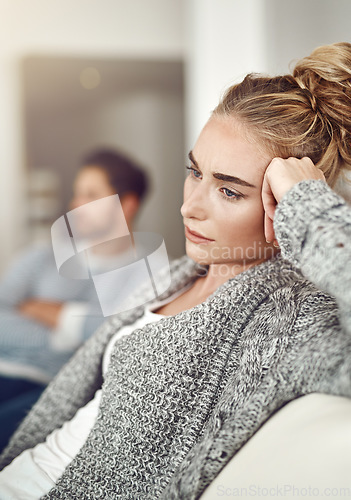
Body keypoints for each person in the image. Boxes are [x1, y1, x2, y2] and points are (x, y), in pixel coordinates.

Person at [0, 42, 350, 500]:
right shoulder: (180, 273)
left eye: (229, 191)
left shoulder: (290, 319)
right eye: (195, 171)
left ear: (283, 203)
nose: (188, 207)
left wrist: (310, 208)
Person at [0, 148, 148, 453]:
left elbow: (112, 342)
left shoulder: (147, 279)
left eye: (90, 195)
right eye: (76, 194)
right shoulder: (42, 256)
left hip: (49, 388)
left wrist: (41, 309)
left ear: (126, 205)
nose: (75, 205)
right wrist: (69, 332)